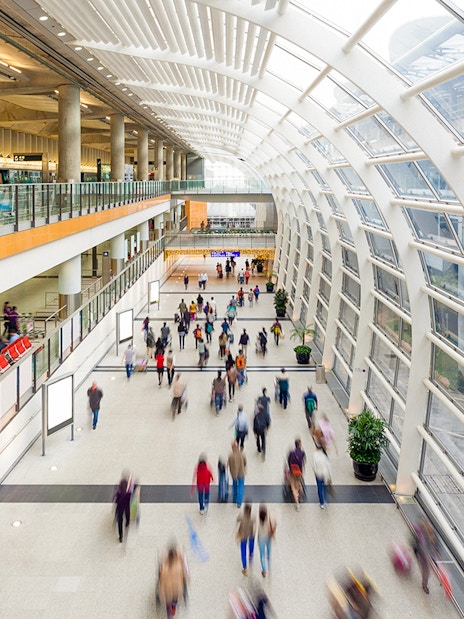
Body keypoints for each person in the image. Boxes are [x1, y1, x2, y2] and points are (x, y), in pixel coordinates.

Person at [158, 544, 189, 618]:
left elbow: (160, 575)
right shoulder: (179, 565)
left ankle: (170, 614)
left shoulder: (164, 566)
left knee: (168, 601)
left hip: (166, 590)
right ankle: (174, 607)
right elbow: (185, 574)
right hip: (176, 589)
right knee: (175, 599)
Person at [412, 517, 439, 594]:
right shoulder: (420, 531)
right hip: (422, 552)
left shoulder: (429, 533)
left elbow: (433, 543)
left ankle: (426, 583)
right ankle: (424, 584)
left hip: (426, 551)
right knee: (426, 570)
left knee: (428, 568)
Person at [236, 503, 255, 576]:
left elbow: (237, 519)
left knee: (243, 551)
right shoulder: (253, 516)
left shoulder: (242, 516)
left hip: (243, 535)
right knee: (251, 547)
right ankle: (250, 558)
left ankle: (245, 568)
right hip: (251, 534)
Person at [257, 504, 275, 578]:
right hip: (268, 537)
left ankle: (264, 570)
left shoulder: (257, 521)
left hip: (261, 538)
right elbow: (272, 528)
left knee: (262, 554)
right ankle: (269, 566)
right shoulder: (268, 521)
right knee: (269, 552)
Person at [288, 438, 306, 510]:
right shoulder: (302, 453)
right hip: (299, 471)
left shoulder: (291, 452)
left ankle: (297, 504)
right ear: (300, 445)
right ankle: (300, 496)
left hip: (292, 471)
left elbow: (288, 461)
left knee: (293, 488)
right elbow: (303, 462)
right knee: (298, 484)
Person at [228, 440, 247, 508]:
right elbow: (245, 462)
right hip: (241, 473)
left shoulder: (231, 456)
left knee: (235, 486)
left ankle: (234, 499)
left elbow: (229, 465)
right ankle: (239, 502)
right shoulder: (242, 454)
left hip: (234, 474)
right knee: (241, 487)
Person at [312, 444, 332, 509]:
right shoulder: (324, 455)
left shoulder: (315, 455)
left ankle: (321, 503)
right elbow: (328, 466)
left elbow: (314, 466)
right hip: (325, 474)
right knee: (325, 488)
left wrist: (315, 471)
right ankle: (326, 501)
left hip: (318, 474)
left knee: (319, 488)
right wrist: (330, 475)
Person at [113, 476, 131, 542]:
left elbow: (116, 501)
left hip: (120, 508)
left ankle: (121, 536)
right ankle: (127, 521)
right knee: (127, 512)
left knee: (120, 522)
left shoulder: (118, 493)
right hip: (126, 506)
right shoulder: (128, 493)